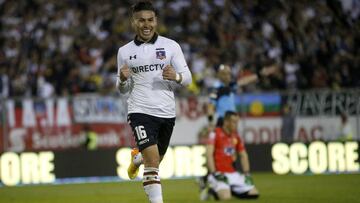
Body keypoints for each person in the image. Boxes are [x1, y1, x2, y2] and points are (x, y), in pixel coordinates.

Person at [116, 2, 192, 203]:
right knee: (153, 163)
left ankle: (137, 158)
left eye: (150, 20)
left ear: (156, 21)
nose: (146, 24)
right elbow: (123, 90)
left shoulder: (171, 46)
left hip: (166, 113)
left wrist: (176, 76)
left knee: (155, 160)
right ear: (134, 22)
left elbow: (188, 78)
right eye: (141, 20)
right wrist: (122, 79)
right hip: (139, 110)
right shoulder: (124, 51)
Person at [203, 111, 259, 200]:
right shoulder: (215, 133)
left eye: (237, 122)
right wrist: (214, 173)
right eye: (234, 122)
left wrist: (247, 173)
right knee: (226, 197)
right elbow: (208, 154)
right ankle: (211, 190)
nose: (236, 125)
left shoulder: (236, 136)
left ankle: (229, 188)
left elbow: (243, 155)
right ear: (226, 122)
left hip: (233, 174)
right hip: (219, 173)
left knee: (254, 194)